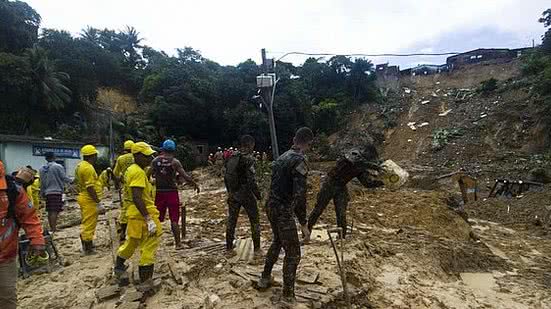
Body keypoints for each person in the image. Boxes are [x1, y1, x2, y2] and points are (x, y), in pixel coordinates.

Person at [257, 127, 314, 303]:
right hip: (282, 210)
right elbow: (300, 195)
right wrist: (304, 223)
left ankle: (265, 278)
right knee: (294, 252)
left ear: (294, 138)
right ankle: (288, 295)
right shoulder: (299, 161)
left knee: (278, 241)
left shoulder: (282, 157)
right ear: (308, 143)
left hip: (271, 206)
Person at [307, 146, 384, 238]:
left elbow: (367, 183)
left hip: (341, 186)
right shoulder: (354, 153)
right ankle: (306, 232)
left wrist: (383, 182)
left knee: (341, 213)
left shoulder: (362, 166)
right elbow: (353, 161)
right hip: (330, 182)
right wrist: (375, 167)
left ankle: (341, 237)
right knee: (319, 209)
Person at [114, 142, 161, 287]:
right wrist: (148, 219)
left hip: (133, 214)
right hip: (143, 213)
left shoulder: (131, 169)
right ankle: (145, 279)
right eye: (146, 156)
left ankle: (119, 266)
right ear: (137, 155)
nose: (150, 159)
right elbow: (137, 197)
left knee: (132, 241)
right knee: (150, 244)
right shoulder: (138, 173)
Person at [0, 161, 46, 309]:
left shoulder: (13, 191)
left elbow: (29, 217)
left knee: (7, 297)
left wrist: (37, 240)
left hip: (5, 256)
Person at [151, 139, 200, 249]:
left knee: (156, 218)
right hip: (172, 192)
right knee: (174, 219)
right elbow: (185, 176)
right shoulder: (175, 162)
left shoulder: (155, 161)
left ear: (163, 149)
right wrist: (194, 184)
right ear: (173, 150)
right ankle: (178, 244)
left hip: (159, 192)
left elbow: (148, 174)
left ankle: (151, 242)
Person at [224, 135, 262, 255]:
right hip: (245, 194)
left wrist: (230, 191)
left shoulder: (232, 156)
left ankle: (229, 247)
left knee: (232, 220)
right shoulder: (248, 159)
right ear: (250, 144)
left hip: (233, 193)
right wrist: (258, 195)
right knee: (254, 220)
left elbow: (226, 175)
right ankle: (257, 248)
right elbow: (251, 180)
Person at [75, 145, 103, 255]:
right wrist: (98, 202)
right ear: (93, 155)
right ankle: (88, 248)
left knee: (87, 221)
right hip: (88, 199)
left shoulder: (80, 165)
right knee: (89, 224)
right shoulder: (88, 168)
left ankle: (87, 244)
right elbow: (90, 187)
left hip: (84, 196)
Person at [39, 152, 72, 233]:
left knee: (50, 211)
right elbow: (64, 177)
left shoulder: (42, 168)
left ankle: (52, 227)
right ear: (54, 157)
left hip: (47, 192)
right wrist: (72, 181)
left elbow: (41, 182)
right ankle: (53, 229)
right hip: (56, 191)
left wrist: (42, 192)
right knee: (55, 211)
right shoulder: (57, 166)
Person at [113, 140, 135, 241]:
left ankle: (123, 233)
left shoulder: (120, 159)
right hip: (139, 185)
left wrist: (120, 181)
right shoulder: (136, 157)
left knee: (125, 209)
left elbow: (115, 173)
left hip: (126, 187)